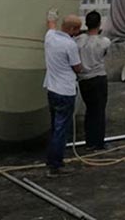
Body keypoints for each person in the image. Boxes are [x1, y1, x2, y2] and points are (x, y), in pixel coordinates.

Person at [43, 10, 82, 177]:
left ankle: (51, 159)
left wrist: (52, 15)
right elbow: (77, 67)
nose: (78, 32)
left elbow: (51, 24)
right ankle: (56, 166)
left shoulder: (50, 37)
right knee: (61, 130)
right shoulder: (70, 45)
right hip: (65, 91)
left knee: (55, 127)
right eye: (77, 29)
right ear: (72, 29)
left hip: (52, 89)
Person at [76, 10, 111, 151]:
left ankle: (89, 141)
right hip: (98, 78)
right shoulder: (104, 42)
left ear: (86, 23)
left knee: (90, 110)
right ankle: (98, 143)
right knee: (99, 111)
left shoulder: (79, 41)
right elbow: (105, 54)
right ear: (99, 24)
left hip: (83, 80)